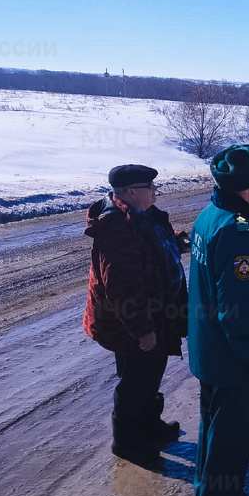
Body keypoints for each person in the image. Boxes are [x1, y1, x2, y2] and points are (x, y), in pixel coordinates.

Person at [83, 164, 189, 469]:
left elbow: (153, 241)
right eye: (150, 187)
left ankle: (148, 426)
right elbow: (122, 287)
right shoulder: (117, 228)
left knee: (151, 373)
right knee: (136, 380)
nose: (155, 192)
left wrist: (174, 240)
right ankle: (126, 441)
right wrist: (143, 329)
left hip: (154, 314)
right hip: (131, 322)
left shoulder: (141, 216)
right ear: (130, 192)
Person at [187, 144, 249, 496]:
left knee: (214, 429)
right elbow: (236, 309)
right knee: (230, 438)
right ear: (246, 184)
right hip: (231, 356)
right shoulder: (237, 231)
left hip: (210, 350)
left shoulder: (210, 214)